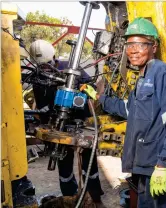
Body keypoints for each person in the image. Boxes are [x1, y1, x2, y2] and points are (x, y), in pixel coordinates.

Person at [81, 17, 166, 207]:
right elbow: (129, 109)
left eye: (140, 44)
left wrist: (164, 164)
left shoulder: (164, 73)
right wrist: (100, 98)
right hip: (146, 165)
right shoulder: (142, 78)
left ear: (153, 46)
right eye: (129, 44)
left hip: (161, 166)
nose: (132, 50)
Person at [28, 40, 104, 206]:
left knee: (88, 162)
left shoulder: (70, 66)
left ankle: (94, 195)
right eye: (42, 66)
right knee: (64, 162)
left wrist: (83, 88)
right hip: (58, 124)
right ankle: (70, 198)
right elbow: (41, 103)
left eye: (48, 64)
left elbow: (90, 85)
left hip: (81, 120)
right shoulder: (37, 76)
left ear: (54, 57)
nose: (46, 69)